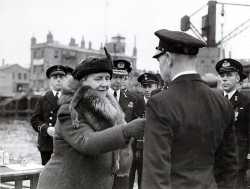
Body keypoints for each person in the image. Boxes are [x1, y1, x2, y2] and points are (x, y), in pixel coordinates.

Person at [142, 29, 238, 189]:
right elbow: (229, 165)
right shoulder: (221, 101)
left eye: (159, 60)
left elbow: (155, 173)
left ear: (168, 58)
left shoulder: (159, 103)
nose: (159, 66)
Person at [36, 49, 145, 189]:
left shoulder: (110, 107)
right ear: (82, 82)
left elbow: (119, 153)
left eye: (107, 78)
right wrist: (126, 131)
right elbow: (87, 142)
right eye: (98, 79)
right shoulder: (70, 110)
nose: (105, 84)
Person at [215, 58, 250, 189]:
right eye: (222, 75)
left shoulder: (245, 102)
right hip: (216, 161)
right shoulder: (215, 101)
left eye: (229, 75)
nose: (224, 79)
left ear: (237, 78)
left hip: (237, 161)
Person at [111, 59, 142, 189]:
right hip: (105, 147)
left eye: (122, 77)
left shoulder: (134, 98)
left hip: (125, 149)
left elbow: (138, 123)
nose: (118, 81)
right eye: (115, 77)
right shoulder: (101, 96)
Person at [31, 65, 66, 165]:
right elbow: (34, 120)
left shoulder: (70, 98)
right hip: (47, 145)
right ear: (50, 81)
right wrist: (46, 129)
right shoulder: (43, 99)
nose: (58, 80)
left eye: (61, 77)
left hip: (65, 144)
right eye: (55, 78)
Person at [129, 73, 159, 189]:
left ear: (157, 86)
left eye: (150, 86)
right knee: (128, 180)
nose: (147, 89)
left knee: (146, 183)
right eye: (144, 86)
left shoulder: (162, 104)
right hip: (133, 147)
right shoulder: (134, 102)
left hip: (152, 151)